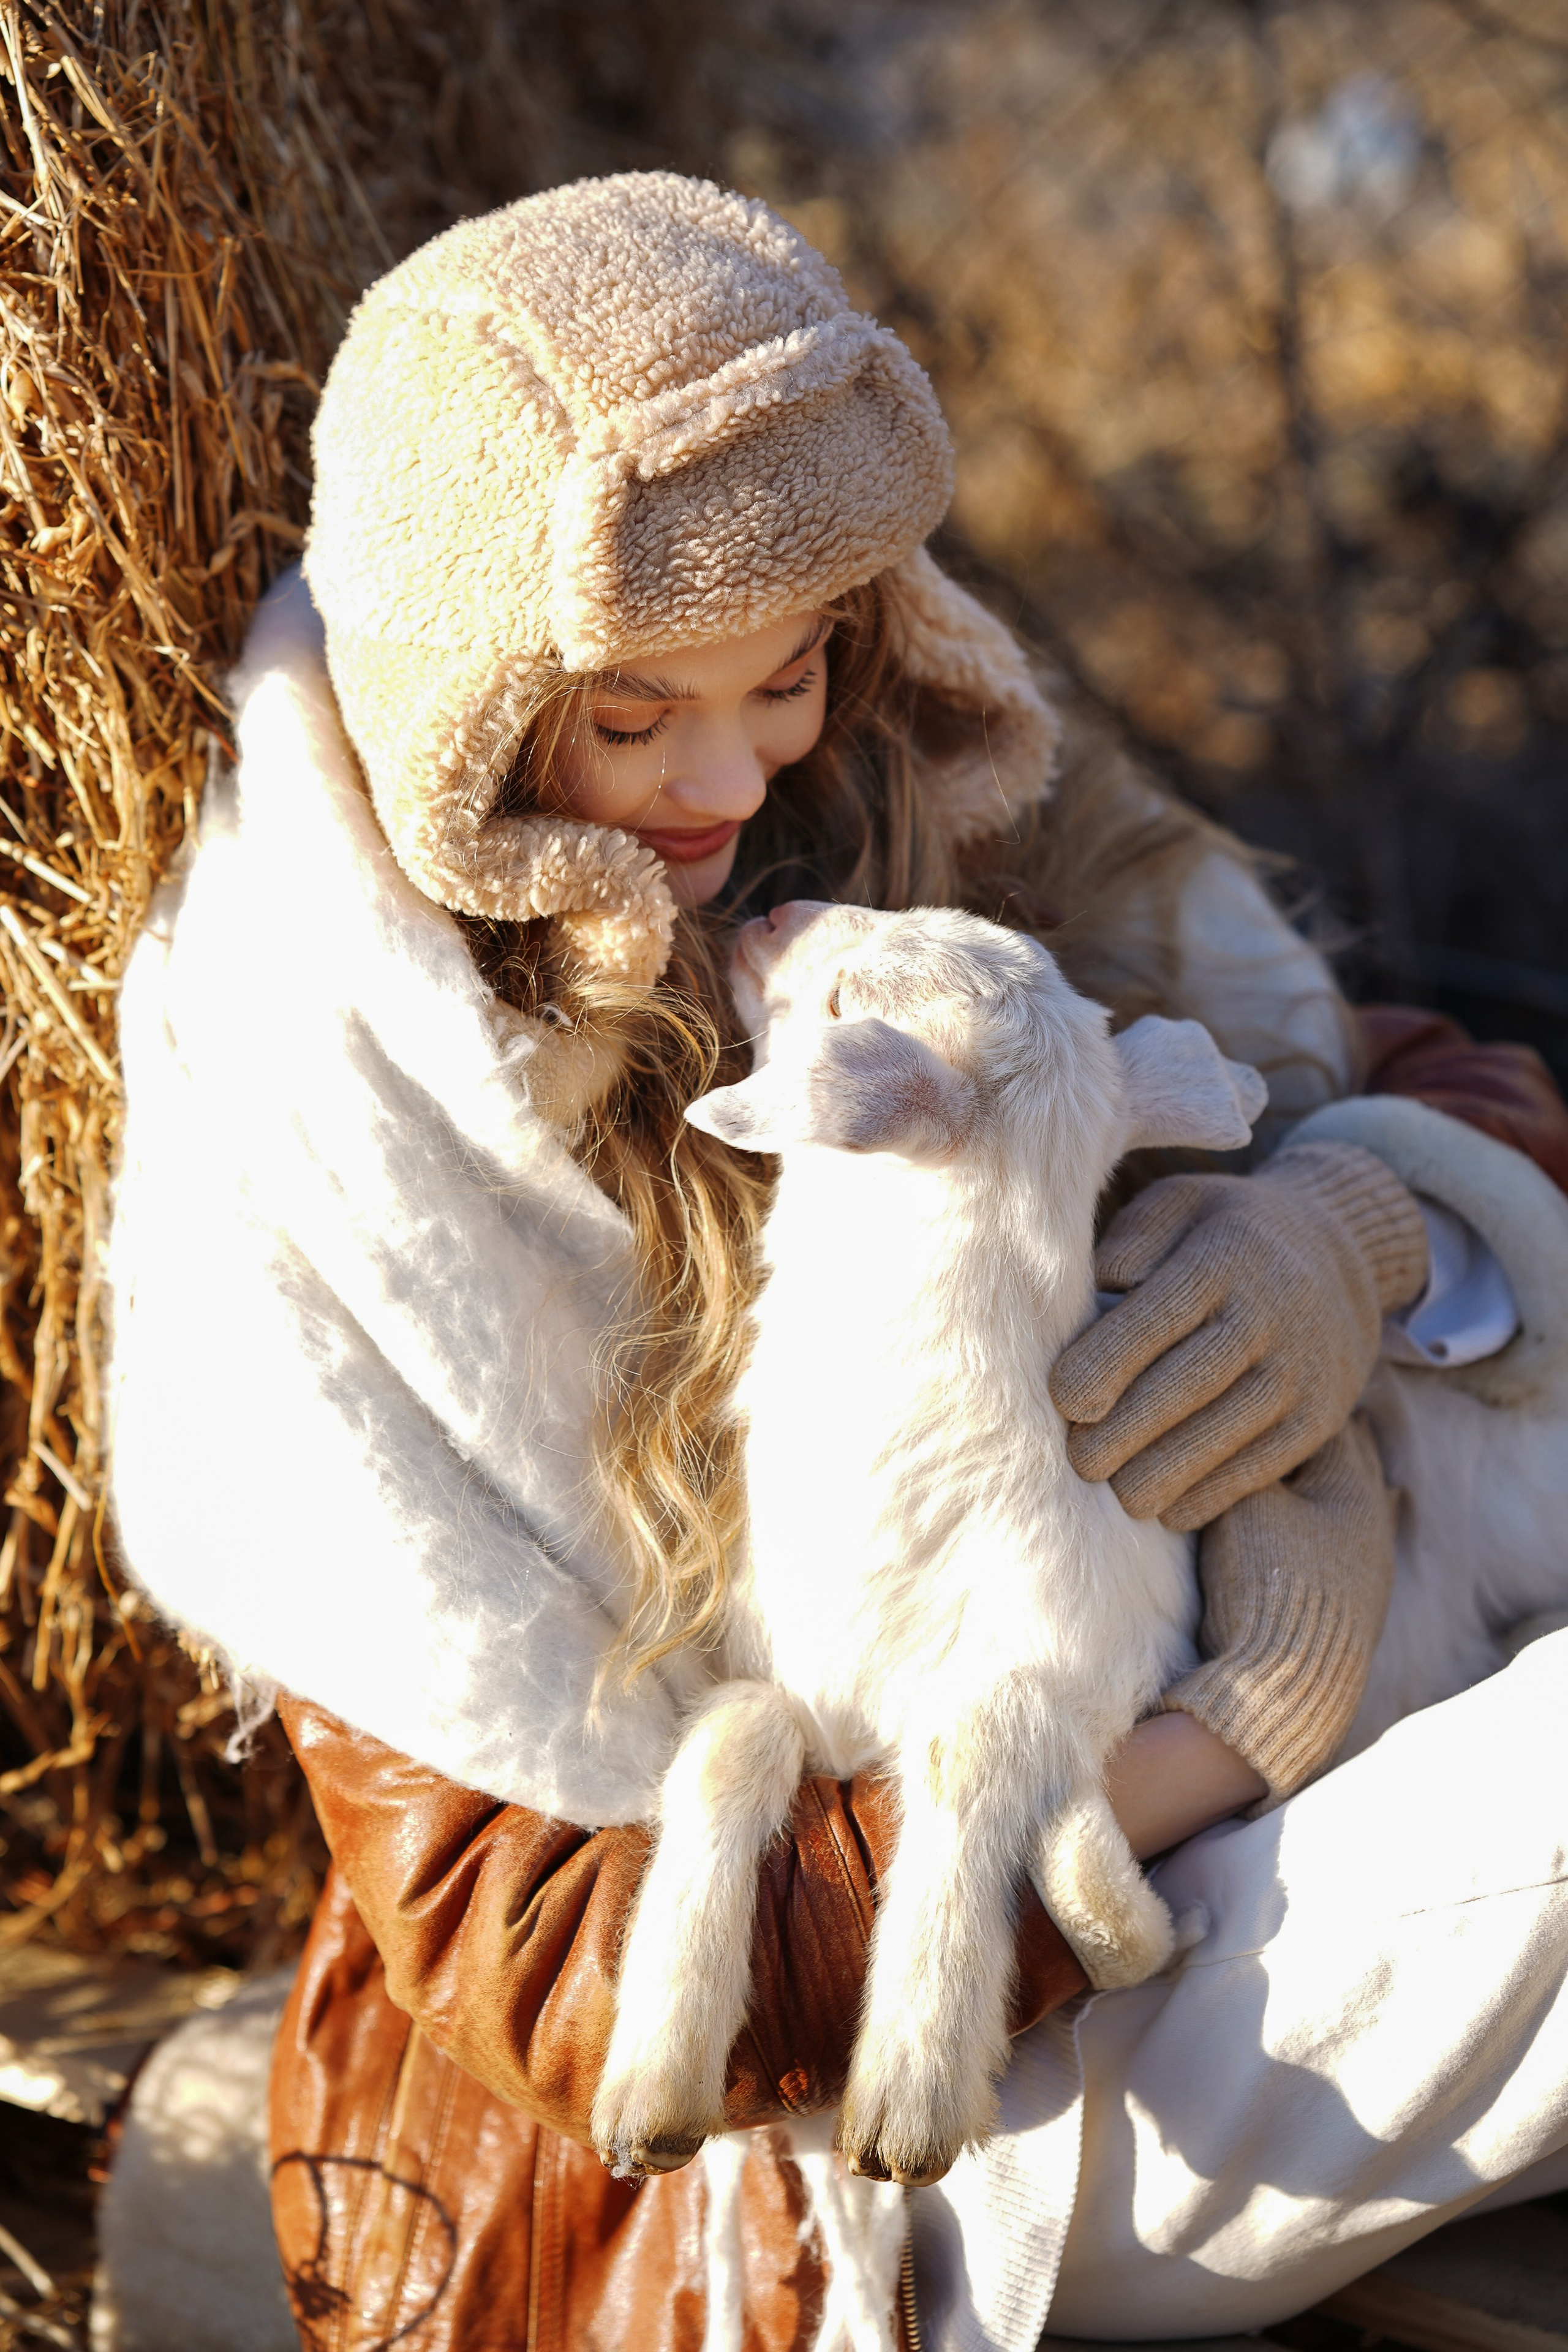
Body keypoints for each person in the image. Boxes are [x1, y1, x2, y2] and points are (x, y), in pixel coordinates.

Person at [105, 173, 1568, 2351]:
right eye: (627, 719)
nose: (725, 776)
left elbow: (1429, 1082)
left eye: (780, 673)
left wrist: (1351, 1222)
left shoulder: (918, 800)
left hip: (1211, 1817)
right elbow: (549, 1967)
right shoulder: (335, 1140)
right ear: (466, 713)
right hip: (846, 2124)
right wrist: (1204, 1744)